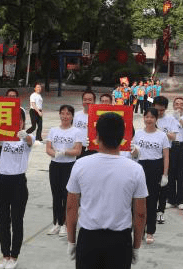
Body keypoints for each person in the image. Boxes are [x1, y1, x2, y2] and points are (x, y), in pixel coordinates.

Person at [66, 113, 147, 269]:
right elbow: (140, 214)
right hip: (120, 241)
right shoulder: (135, 169)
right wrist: (136, 247)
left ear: (96, 136)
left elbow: (71, 207)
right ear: (123, 136)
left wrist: (71, 241)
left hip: (89, 239)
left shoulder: (80, 165)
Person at [0, 114, 34, 269]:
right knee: (3, 220)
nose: (17, 123)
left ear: (23, 122)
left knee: (17, 220)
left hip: (18, 182)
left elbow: (30, 142)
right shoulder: (4, 136)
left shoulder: (28, 136)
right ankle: (5, 255)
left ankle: (14, 255)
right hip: (2, 180)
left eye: (20, 120)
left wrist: (25, 136)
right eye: (14, 121)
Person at [131, 107, 170, 244]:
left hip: (155, 168)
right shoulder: (138, 134)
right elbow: (134, 153)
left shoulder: (162, 135)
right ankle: (138, 230)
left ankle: (150, 232)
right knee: (137, 201)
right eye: (146, 117)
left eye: (152, 117)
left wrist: (165, 174)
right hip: (140, 167)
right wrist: (133, 151)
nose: (149, 119)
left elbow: (166, 156)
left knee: (152, 201)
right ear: (143, 118)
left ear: (156, 119)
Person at [45, 105, 82, 236]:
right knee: (56, 195)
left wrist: (65, 152)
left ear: (72, 116)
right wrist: (55, 154)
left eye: (68, 114)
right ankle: (57, 222)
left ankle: (66, 224)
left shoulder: (76, 131)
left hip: (69, 166)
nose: (65, 116)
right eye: (62, 113)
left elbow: (78, 150)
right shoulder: (54, 130)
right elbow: (48, 148)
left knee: (67, 196)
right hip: (55, 165)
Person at [165, 96, 183, 210]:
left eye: (181, 104)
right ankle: (171, 200)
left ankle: (181, 200)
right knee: (171, 174)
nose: (179, 106)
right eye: (177, 104)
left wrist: (179, 119)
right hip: (171, 147)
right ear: (173, 105)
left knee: (181, 174)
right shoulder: (168, 118)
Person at [154, 95, 178, 222]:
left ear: (166, 108)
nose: (159, 112)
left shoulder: (171, 120)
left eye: (162, 110)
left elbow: (173, 137)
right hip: (152, 154)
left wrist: (160, 131)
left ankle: (161, 211)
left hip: (167, 154)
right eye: (157, 109)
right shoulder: (150, 117)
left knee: (164, 184)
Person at [73, 90, 94, 158]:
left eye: (90, 100)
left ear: (94, 101)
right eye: (85, 100)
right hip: (78, 149)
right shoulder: (76, 115)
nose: (87, 102)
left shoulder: (99, 116)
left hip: (93, 149)